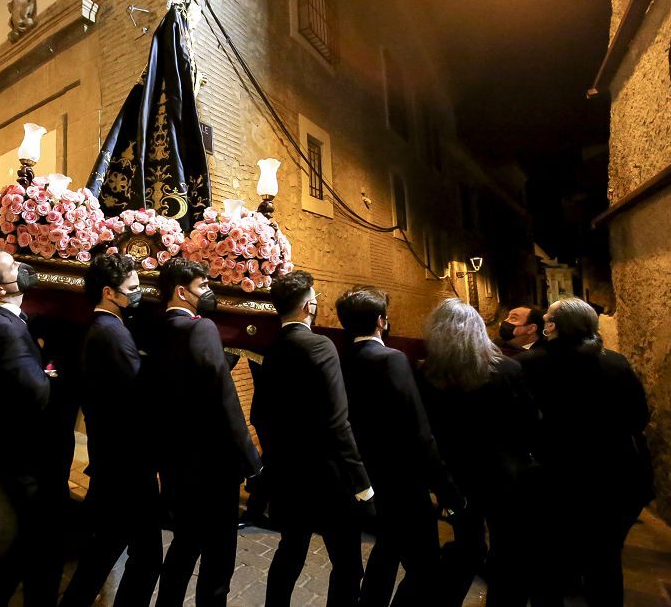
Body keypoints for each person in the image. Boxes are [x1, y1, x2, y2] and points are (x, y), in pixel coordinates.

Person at [519, 297, 653, 606]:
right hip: (611, 477)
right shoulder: (615, 362)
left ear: (555, 326)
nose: (545, 323)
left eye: (549, 319)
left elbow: (518, 424)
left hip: (554, 478)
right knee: (604, 562)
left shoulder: (529, 365)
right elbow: (639, 418)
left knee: (550, 564)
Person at [337, 286, 464, 607]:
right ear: (381, 321)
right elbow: (418, 431)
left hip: (366, 475)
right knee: (425, 567)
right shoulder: (391, 360)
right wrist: (447, 489)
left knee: (387, 552)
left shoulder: (339, 358)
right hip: (402, 482)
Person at [252, 271, 373, 606]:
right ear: (308, 306)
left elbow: (259, 415)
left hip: (288, 475)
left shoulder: (271, 348)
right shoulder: (321, 345)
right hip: (327, 478)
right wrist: (361, 480)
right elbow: (338, 421)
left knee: (290, 553)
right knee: (348, 565)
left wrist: (277, 460)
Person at [419, 298, 549, 607]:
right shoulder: (506, 368)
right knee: (508, 553)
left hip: (458, 477)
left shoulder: (427, 375)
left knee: (467, 548)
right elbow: (530, 423)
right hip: (504, 476)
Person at [152, 258, 262, 607]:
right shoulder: (201, 329)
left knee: (183, 548)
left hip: (175, 463)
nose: (208, 293)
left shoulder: (154, 330)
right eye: (202, 287)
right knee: (218, 557)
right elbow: (224, 397)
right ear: (182, 292)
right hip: (213, 467)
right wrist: (250, 459)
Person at [60, 253, 161, 607]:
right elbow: (136, 398)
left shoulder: (102, 329)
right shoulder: (111, 333)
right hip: (127, 466)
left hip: (113, 462)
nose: (138, 294)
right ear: (108, 292)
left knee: (103, 555)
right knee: (144, 558)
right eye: (132, 288)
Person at [0, 248, 63, 607]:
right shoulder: (2, 329)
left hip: (12, 450)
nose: (22, 269)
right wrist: (52, 378)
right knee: (26, 543)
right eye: (12, 267)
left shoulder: (7, 321)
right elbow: (34, 390)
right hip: (21, 457)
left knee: (24, 545)